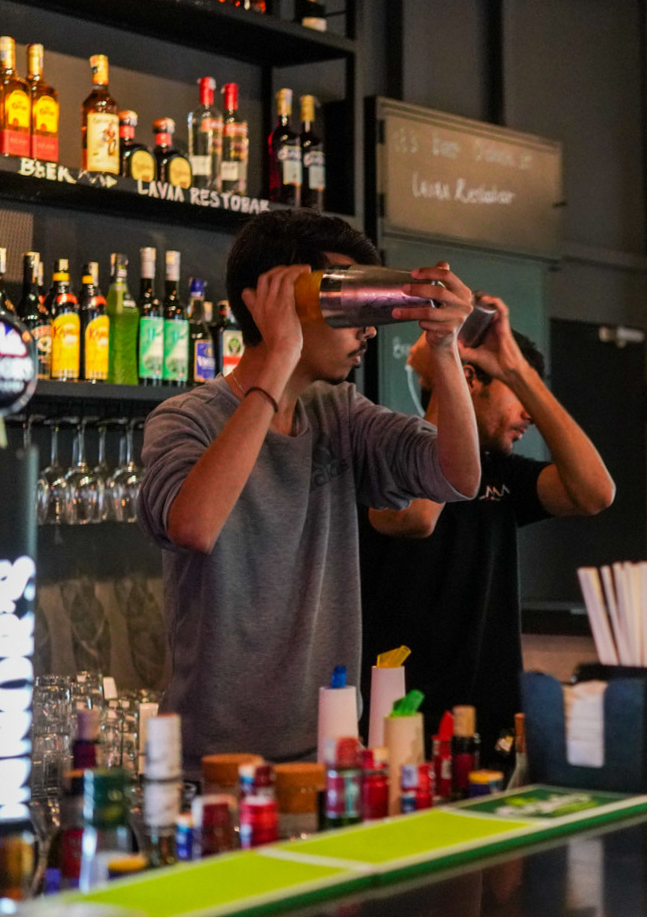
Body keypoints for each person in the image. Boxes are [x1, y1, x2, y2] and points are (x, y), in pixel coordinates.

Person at [137, 211, 481, 767]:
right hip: (215, 766)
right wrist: (279, 355)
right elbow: (194, 526)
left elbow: (458, 477)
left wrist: (444, 350)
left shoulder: (338, 413)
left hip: (329, 755)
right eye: (349, 305)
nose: (368, 330)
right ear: (276, 300)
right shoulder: (186, 419)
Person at [361, 294, 614, 756]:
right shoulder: (387, 457)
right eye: (516, 395)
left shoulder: (502, 474)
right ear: (470, 379)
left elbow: (595, 493)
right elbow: (417, 517)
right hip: (404, 732)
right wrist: (447, 371)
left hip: (494, 728)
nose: (529, 415)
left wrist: (518, 373)